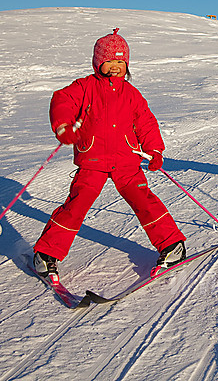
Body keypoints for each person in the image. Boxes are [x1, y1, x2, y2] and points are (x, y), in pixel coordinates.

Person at [33, 29, 187, 281]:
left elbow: (146, 123)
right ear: (97, 62)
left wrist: (155, 150)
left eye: (120, 62)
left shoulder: (132, 94)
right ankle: (46, 253)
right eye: (109, 61)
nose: (115, 67)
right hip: (92, 159)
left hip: (126, 160)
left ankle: (172, 245)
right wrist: (64, 126)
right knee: (77, 204)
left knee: (144, 200)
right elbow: (62, 100)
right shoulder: (84, 87)